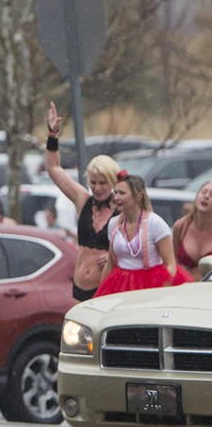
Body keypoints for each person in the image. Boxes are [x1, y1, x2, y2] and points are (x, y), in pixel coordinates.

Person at [45, 102, 120, 301]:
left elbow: (140, 246)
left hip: (106, 287)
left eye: (103, 183)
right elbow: (54, 169)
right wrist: (53, 135)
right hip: (79, 286)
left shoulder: (122, 209)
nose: (97, 188)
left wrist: (116, 258)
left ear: (113, 181)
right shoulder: (83, 199)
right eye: (93, 182)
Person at [95, 172, 192, 296]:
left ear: (138, 195)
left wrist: (161, 293)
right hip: (120, 283)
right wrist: (101, 294)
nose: (116, 198)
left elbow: (170, 265)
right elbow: (110, 263)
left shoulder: (155, 223)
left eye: (122, 193)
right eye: (116, 193)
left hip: (151, 284)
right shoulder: (113, 223)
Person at [173, 181, 212, 280]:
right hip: (183, 288)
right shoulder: (181, 226)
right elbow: (172, 260)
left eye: (211, 195)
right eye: (203, 192)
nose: (206, 196)